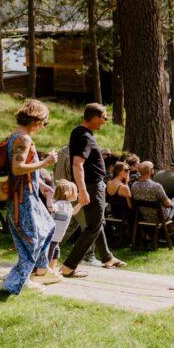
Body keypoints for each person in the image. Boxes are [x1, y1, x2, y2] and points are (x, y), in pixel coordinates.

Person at [2, 99, 59, 293]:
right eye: (45, 121)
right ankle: (15, 283)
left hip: (30, 195)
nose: (44, 126)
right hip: (22, 199)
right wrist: (46, 163)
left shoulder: (19, 136)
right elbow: (17, 168)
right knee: (30, 241)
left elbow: (25, 170)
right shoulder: (23, 139)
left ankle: (41, 271)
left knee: (48, 227)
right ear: (36, 120)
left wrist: (41, 184)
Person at [62, 103, 122, 278]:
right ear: (95, 117)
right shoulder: (85, 136)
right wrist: (83, 190)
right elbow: (77, 164)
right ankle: (68, 266)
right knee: (93, 227)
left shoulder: (78, 132)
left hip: (90, 185)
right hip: (91, 186)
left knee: (97, 223)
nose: (105, 121)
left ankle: (107, 258)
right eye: (104, 118)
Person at [131, 161, 174, 246]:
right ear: (150, 171)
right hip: (160, 217)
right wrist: (170, 201)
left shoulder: (134, 185)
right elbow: (167, 204)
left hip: (144, 216)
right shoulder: (156, 186)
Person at [47, 180, 79, 274]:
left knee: (56, 253)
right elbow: (52, 208)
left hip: (58, 237)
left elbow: (73, 212)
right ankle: (45, 269)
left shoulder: (68, 205)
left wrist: (81, 204)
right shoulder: (60, 204)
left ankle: (51, 270)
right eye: (75, 191)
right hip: (52, 235)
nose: (77, 193)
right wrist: (49, 198)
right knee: (50, 252)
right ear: (68, 193)